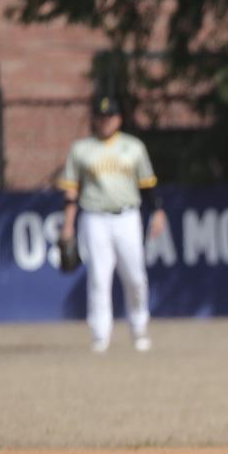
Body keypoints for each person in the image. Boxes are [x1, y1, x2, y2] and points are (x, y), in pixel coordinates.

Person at [59, 94, 168, 353]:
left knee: (135, 276)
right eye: (100, 116)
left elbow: (147, 184)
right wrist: (68, 225)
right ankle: (100, 334)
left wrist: (158, 212)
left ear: (119, 118)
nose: (105, 121)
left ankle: (139, 326)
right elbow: (71, 191)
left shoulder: (133, 147)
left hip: (127, 216)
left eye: (110, 116)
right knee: (99, 276)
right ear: (94, 119)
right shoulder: (81, 149)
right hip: (94, 217)